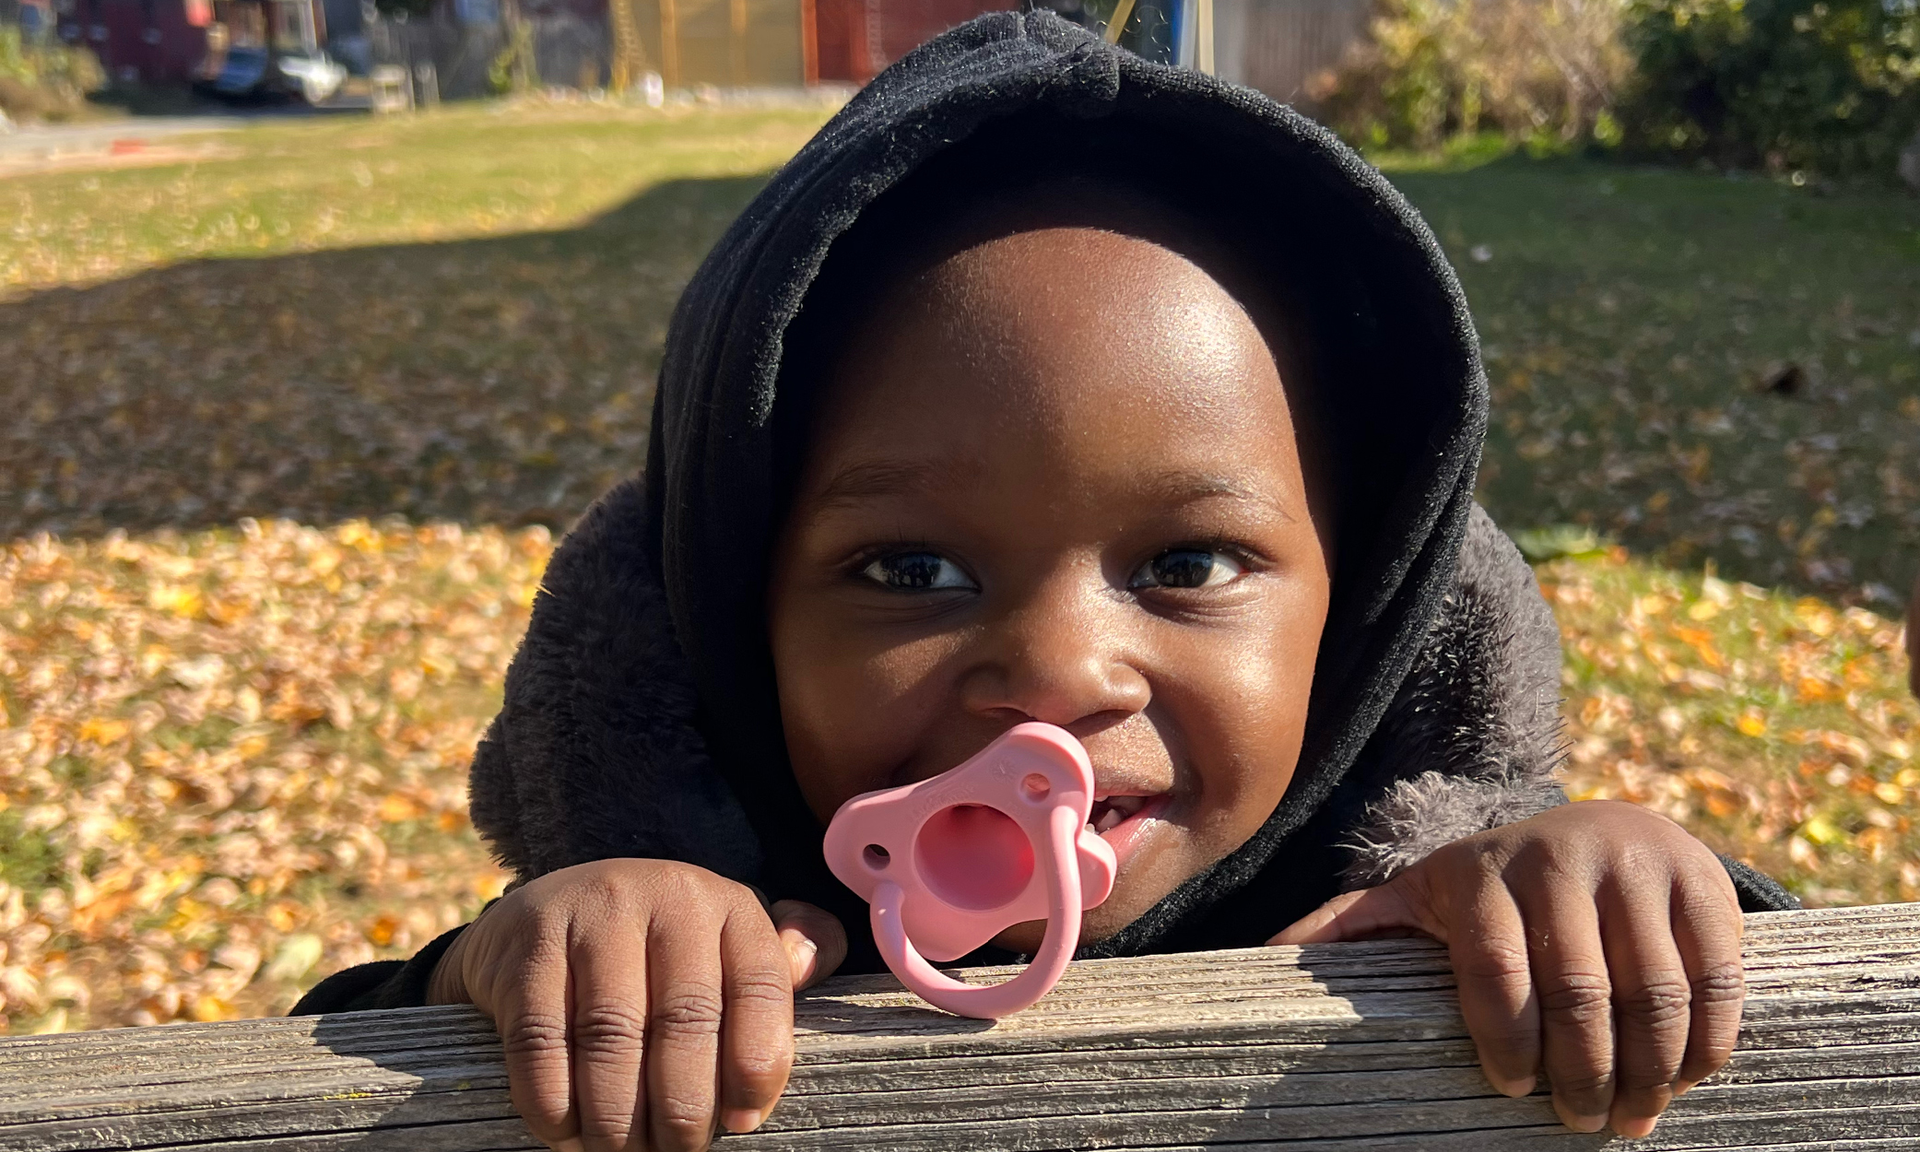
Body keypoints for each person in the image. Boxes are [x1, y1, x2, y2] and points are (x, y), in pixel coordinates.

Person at [294, 12, 1796, 1150]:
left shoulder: (1414, 925)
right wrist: (512, 970)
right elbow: (318, 1078)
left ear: (1374, 615)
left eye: (1189, 563)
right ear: (729, 613)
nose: (1059, 672)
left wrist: (1608, 900)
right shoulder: (708, 890)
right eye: (908, 568)